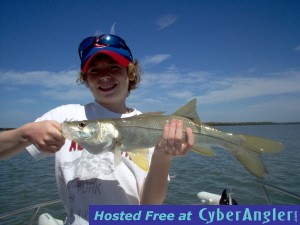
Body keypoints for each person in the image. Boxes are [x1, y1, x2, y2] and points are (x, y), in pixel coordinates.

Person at [0, 34, 194, 224]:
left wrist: (163, 156)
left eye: (114, 67)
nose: (104, 76)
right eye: (94, 70)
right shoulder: (66, 116)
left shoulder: (155, 128)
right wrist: (24, 133)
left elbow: (150, 207)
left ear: (131, 73)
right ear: (85, 79)